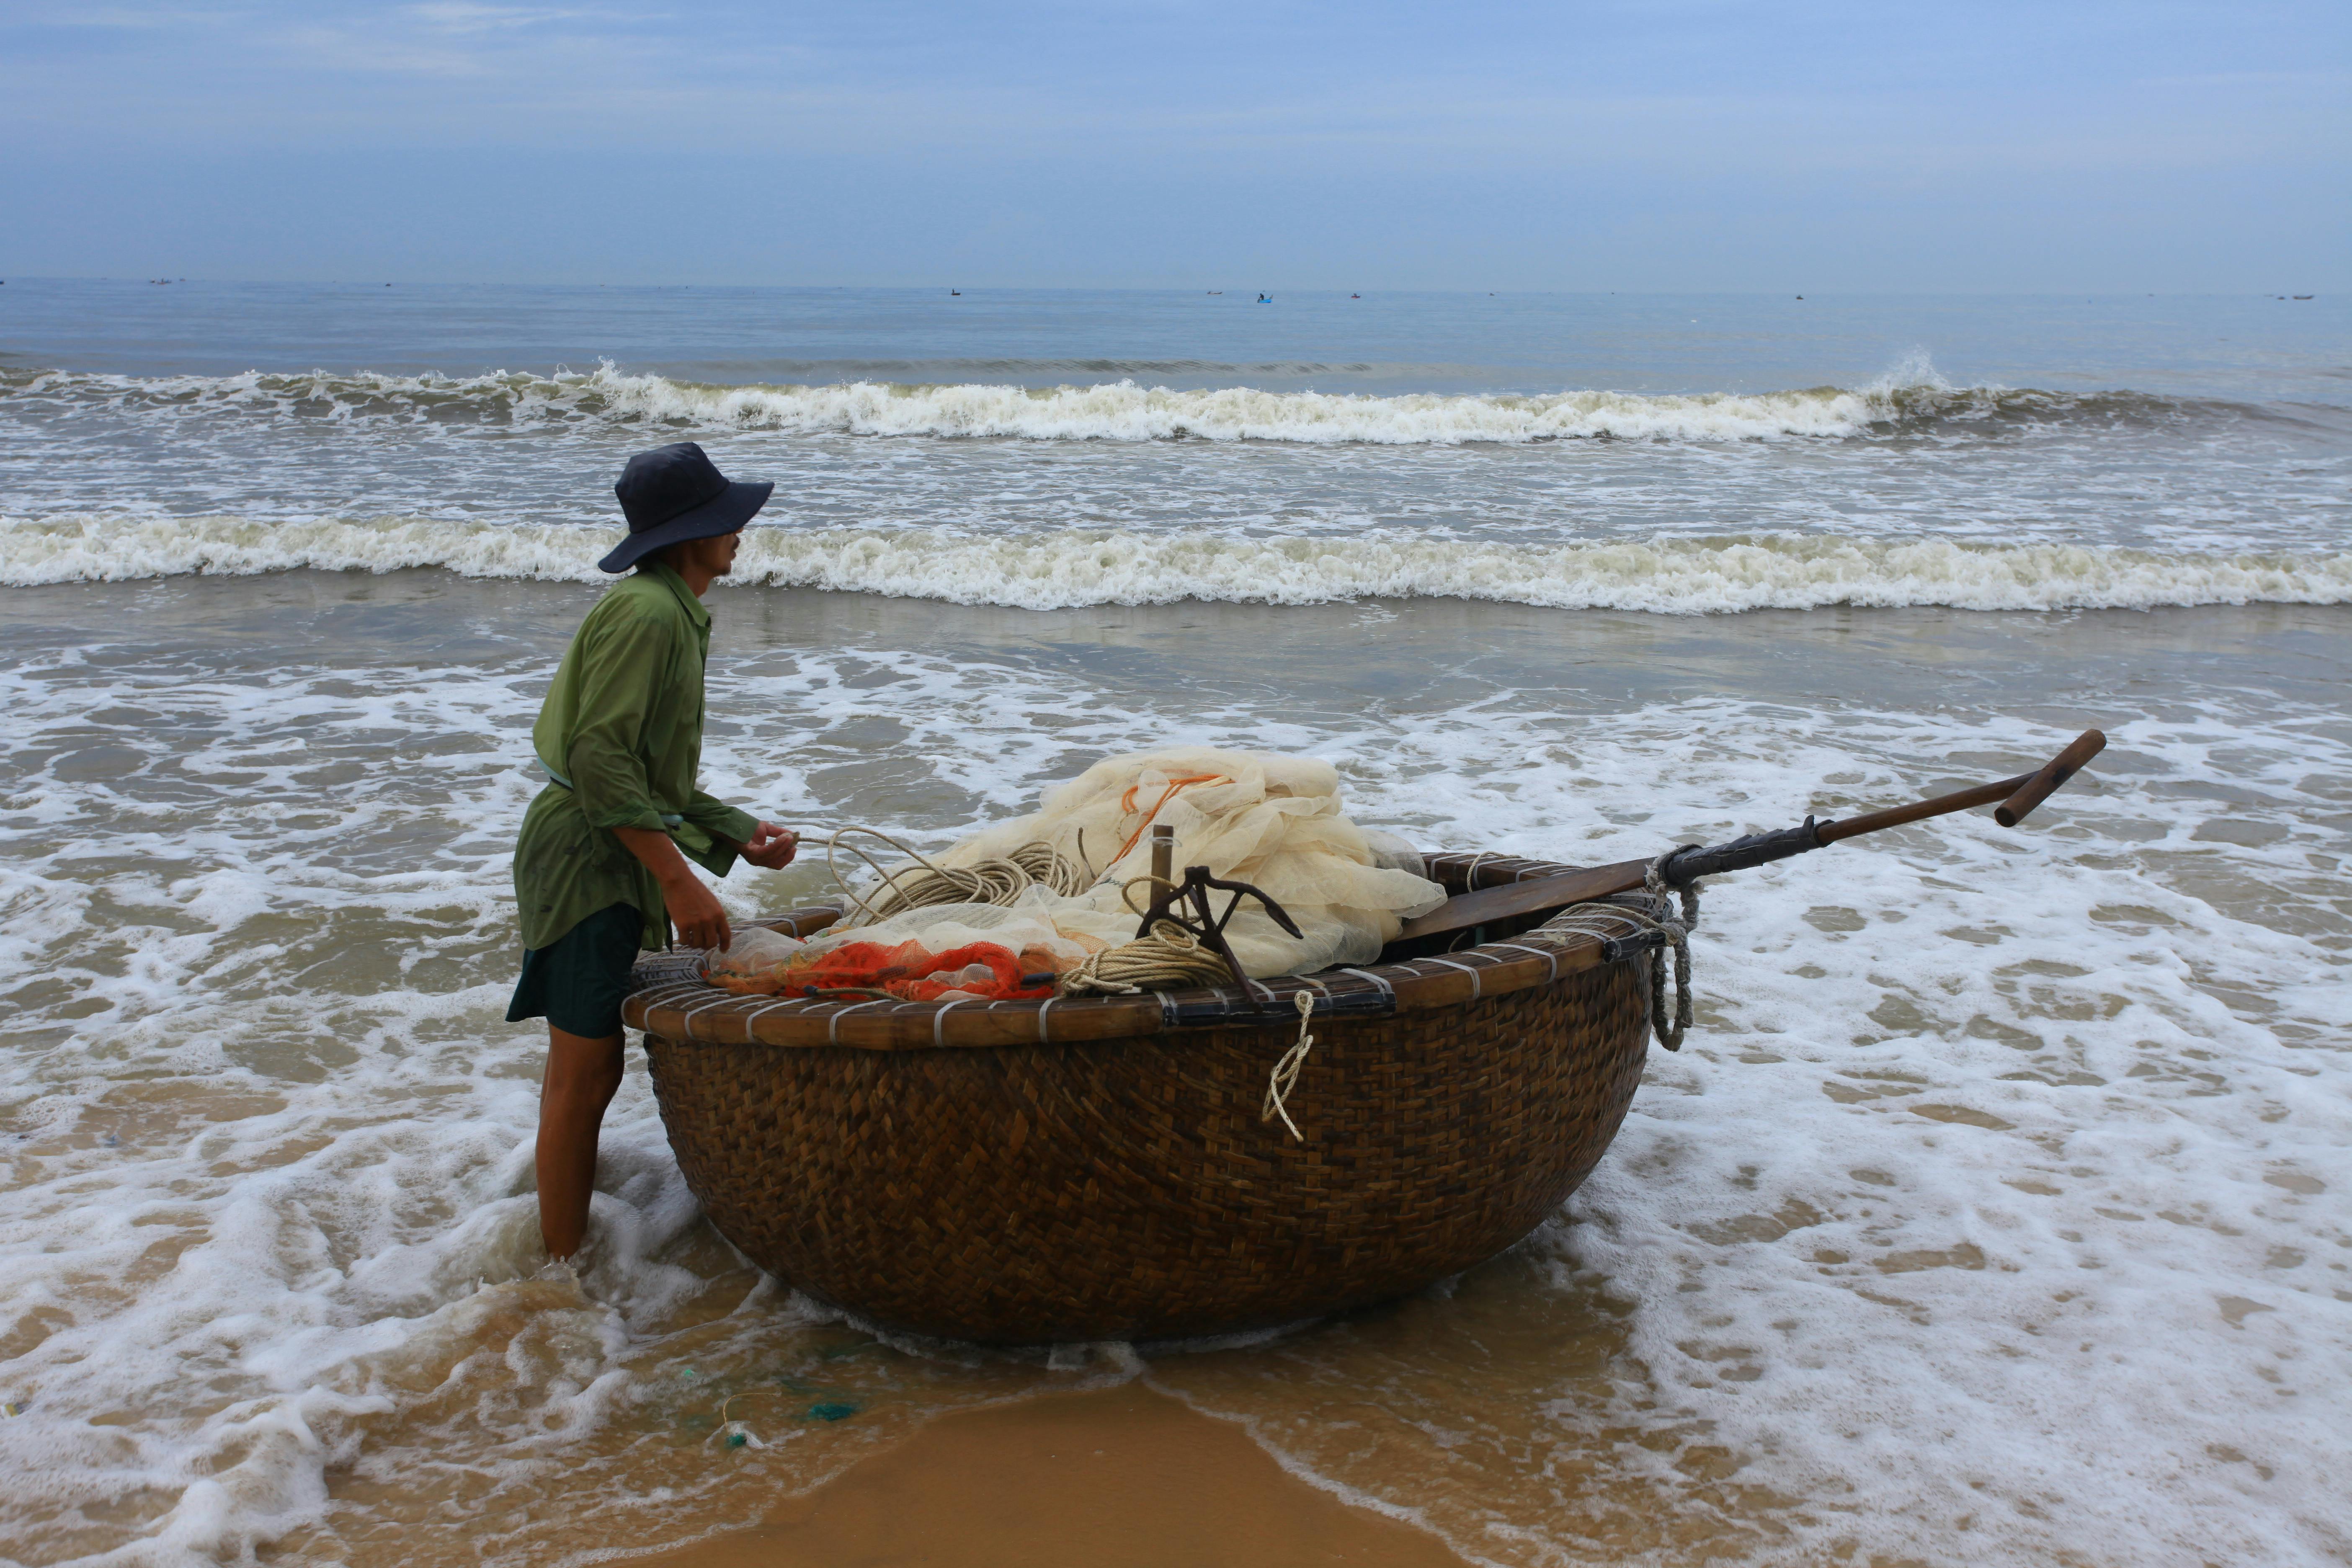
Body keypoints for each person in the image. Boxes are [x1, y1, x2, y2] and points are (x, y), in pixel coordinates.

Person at [507, 441, 801, 1262]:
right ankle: (559, 1273)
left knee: (589, 1073)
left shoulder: (667, 607)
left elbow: (642, 774)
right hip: (585, 859)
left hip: (602, 849)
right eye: (723, 519)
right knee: (582, 1076)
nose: (739, 530)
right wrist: (678, 880)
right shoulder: (651, 615)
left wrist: (737, 832)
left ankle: (561, 1247)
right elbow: (599, 760)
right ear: (687, 536)